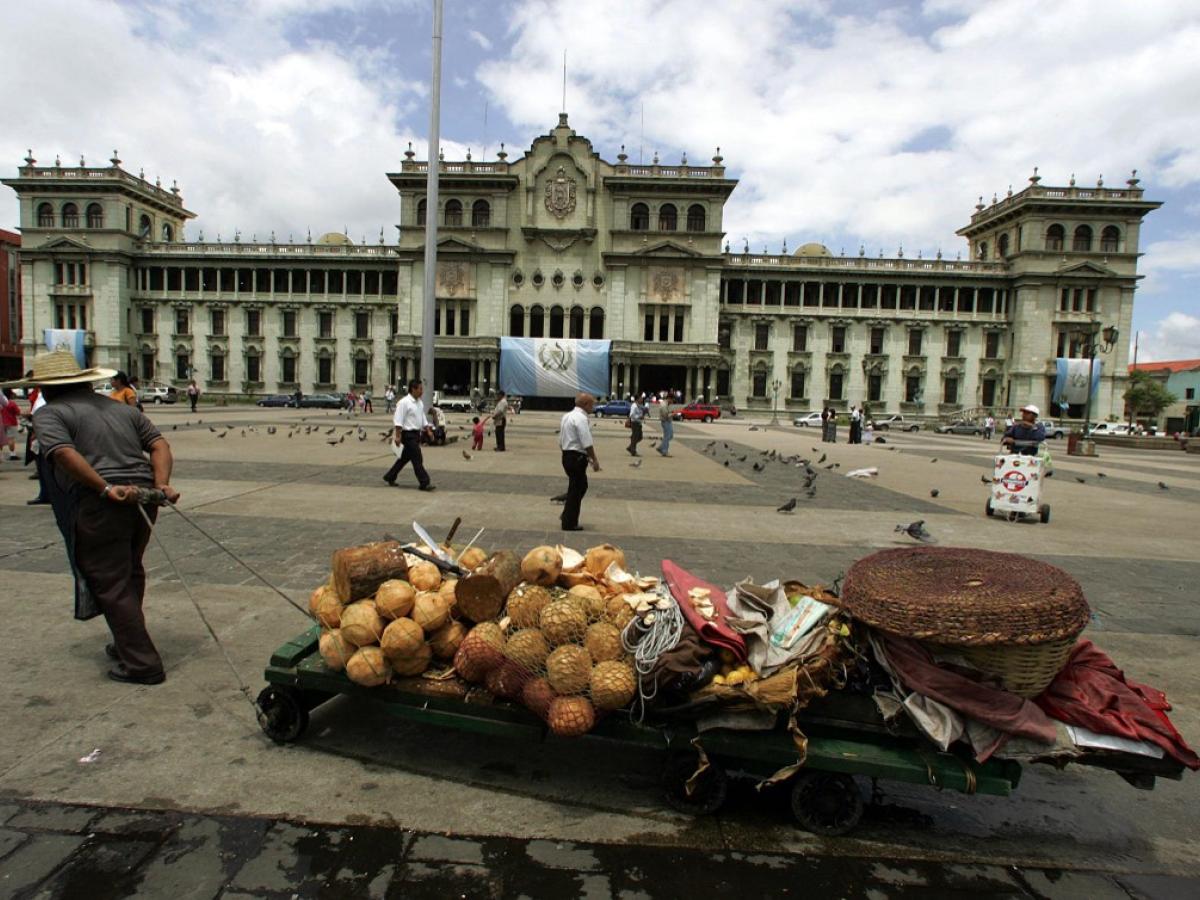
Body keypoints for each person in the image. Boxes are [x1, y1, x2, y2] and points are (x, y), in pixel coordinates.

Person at [14, 348, 181, 685]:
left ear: (47, 388)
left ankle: (142, 663)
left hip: (103, 503)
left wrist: (104, 488)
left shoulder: (51, 414)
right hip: (144, 498)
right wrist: (161, 484)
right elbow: (159, 444)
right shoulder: (120, 409)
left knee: (110, 580)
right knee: (130, 570)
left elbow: (62, 453)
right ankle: (127, 644)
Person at [383, 379, 435, 491]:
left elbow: (422, 418)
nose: (422, 391)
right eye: (420, 389)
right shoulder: (404, 402)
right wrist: (398, 436)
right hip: (407, 435)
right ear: (413, 389)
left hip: (416, 434)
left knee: (404, 458)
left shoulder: (419, 403)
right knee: (417, 458)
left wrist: (428, 430)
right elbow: (398, 420)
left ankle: (390, 476)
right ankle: (424, 482)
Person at [559, 392, 601, 531]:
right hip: (576, 457)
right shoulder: (581, 418)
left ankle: (567, 515)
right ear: (585, 404)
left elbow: (561, 439)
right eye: (592, 404)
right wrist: (594, 459)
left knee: (579, 486)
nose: (593, 407)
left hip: (567, 454)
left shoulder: (567, 416)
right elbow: (586, 441)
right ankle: (569, 522)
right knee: (577, 489)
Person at [1, 388, 20, 460]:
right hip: (11, 422)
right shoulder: (12, 403)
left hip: (1, 422)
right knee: (11, 439)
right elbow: (18, 412)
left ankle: (1, 454)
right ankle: (12, 454)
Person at [657, 392, 674, 457]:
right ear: (669, 398)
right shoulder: (664, 405)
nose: (672, 401)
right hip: (665, 421)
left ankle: (661, 447)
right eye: (672, 400)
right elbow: (666, 415)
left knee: (670, 436)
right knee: (667, 436)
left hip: (668, 421)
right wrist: (672, 414)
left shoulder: (666, 404)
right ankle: (664, 451)